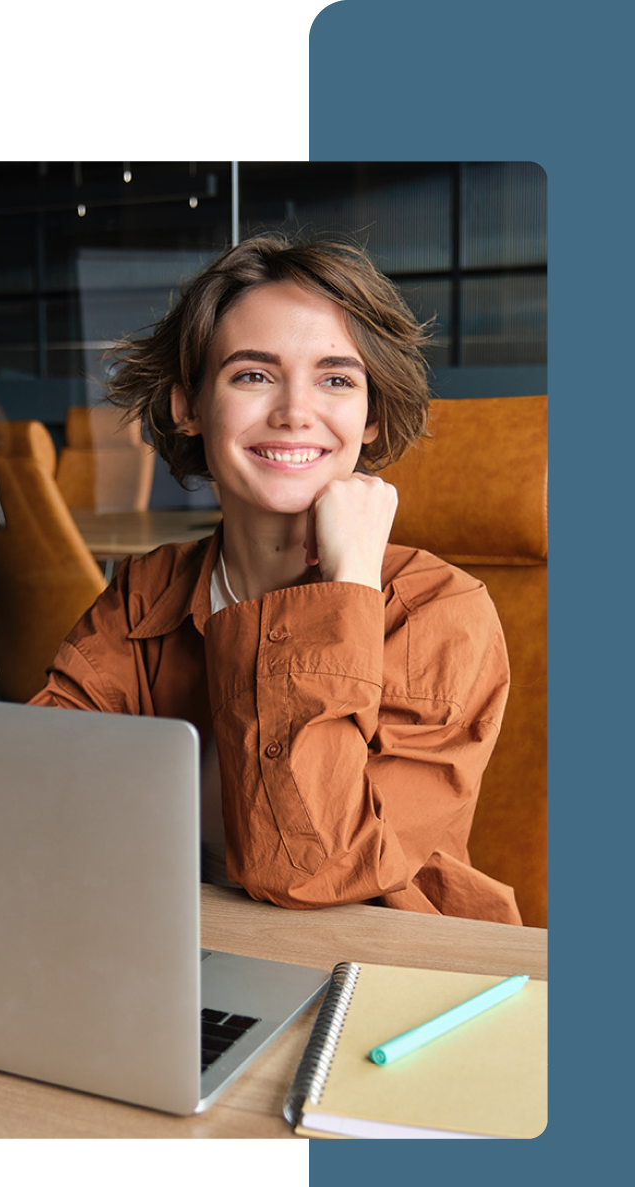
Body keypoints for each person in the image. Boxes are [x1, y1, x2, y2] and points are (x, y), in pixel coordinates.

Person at [29, 234, 521, 924]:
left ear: (372, 416)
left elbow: (314, 871)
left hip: (378, 972)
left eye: (337, 379)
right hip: (174, 949)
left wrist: (346, 590)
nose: (295, 411)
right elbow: (36, 801)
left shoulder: (439, 613)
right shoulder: (149, 591)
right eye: (253, 375)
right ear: (188, 407)